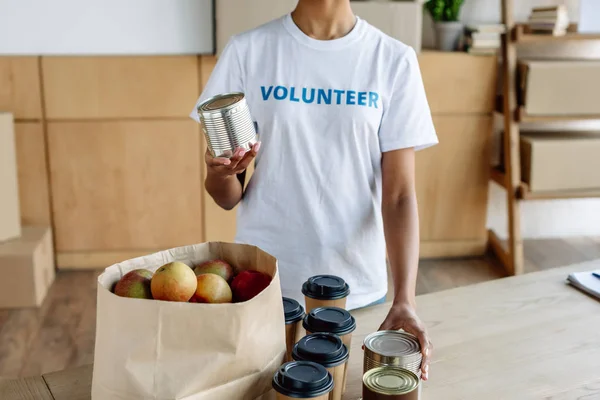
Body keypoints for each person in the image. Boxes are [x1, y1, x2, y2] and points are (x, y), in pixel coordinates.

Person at [190, 0, 437, 380]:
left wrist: (406, 298)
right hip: (266, 281)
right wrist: (220, 172)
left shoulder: (392, 59)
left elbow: (399, 195)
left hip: (355, 287)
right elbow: (226, 195)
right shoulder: (248, 51)